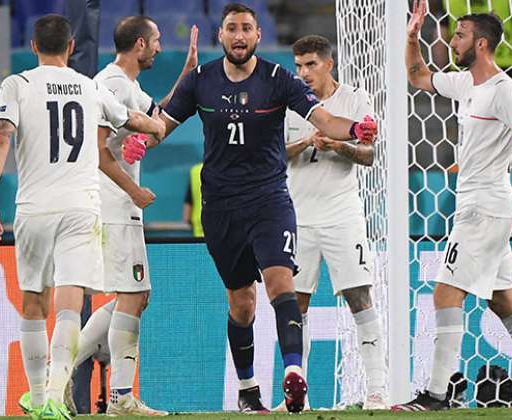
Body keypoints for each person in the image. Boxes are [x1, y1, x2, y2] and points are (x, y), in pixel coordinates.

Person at [124, 3, 377, 413]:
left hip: (269, 200)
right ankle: (248, 390)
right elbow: (162, 126)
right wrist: (142, 142)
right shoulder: (200, 80)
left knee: (282, 284)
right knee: (242, 304)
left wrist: (355, 129)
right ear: (220, 35)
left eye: (246, 28)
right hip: (221, 208)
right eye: (231, 29)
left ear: (258, 35)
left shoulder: (278, 79)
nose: (239, 36)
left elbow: (326, 120)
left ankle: (294, 376)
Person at [0, 14, 165, 420]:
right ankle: (53, 396)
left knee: (33, 303)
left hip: (34, 208)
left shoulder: (17, 84)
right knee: (69, 305)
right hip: (82, 208)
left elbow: (1, 137)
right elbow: (132, 119)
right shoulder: (88, 86)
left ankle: (37, 395)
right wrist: (155, 126)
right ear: (69, 49)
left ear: (32, 47)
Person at [393, 0, 512, 411]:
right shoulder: (466, 84)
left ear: (483, 43)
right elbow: (417, 74)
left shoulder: (506, 92)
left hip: (486, 208)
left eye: (460, 35)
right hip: (476, 204)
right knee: (502, 299)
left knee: (444, 293)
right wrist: (411, 35)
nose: (452, 40)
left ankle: (436, 394)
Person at [67, 15, 199, 416]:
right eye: (156, 40)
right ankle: (120, 397)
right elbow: (98, 148)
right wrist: (134, 190)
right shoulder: (110, 85)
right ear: (140, 45)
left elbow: (159, 126)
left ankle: (61, 374)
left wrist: (187, 75)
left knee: (136, 296)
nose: (160, 47)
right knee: (134, 295)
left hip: (118, 207)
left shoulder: (129, 86)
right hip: (112, 205)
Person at [283, 35, 386, 410]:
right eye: (298, 66)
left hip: (342, 215)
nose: (303, 73)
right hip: (297, 217)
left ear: (329, 64)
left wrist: (339, 145)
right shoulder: (289, 101)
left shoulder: (355, 100)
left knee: (360, 296)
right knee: (296, 305)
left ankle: (377, 389)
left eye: (310, 64)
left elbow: (369, 155)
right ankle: (299, 397)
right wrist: (307, 143)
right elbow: (274, 154)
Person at [183, 162, 205, 237]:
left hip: (198, 227)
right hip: (219, 224)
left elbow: (188, 201)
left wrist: (187, 219)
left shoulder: (195, 171)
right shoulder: (222, 170)